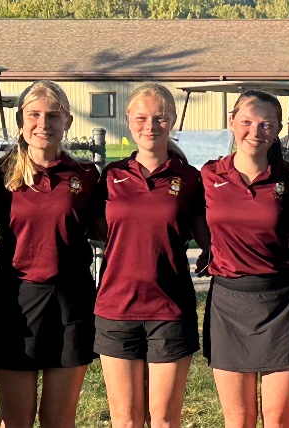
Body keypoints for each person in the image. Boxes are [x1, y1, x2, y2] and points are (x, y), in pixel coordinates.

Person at [0, 81, 103, 428]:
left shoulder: (85, 175)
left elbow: (113, 231)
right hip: (15, 299)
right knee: (16, 420)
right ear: (21, 120)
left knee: (58, 420)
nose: (43, 124)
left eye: (53, 115)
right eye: (34, 114)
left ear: (67, 121)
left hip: (71, 299)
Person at [95, 84, 209, 428]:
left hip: (170, 309)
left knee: (163, 420)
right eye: (141, 118)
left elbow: (211, 236)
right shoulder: (111, 176)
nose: (150, 126)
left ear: (172, 119)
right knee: (126, 421)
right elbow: (100, 231)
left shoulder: (190, 179)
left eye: (159, 117)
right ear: (128, 120)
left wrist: (213, 251)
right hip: (116, 309)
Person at [201, 90, 289, 428]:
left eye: (266, 124)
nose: (255, 131)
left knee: (278, 419)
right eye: (246, 122)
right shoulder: (207, 176)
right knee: (239, 419)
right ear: (231, 122)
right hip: (228, 303)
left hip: (281, 302)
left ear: (277, 129)